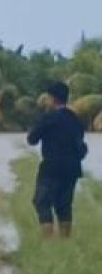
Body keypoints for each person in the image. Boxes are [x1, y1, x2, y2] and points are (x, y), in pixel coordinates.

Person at [27, 81, 88, 238]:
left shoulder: (49, 117)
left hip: (52, 167)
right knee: (64, 206)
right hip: (72, 168)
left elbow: (32, 139)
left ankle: (48, 240)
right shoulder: (76, 119)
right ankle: (64, 241)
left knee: (42, 202)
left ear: (52, 98)